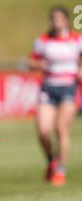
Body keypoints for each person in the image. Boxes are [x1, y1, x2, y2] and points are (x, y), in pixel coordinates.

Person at [29, 6, 82, 186]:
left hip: (69, 87)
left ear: (66, 20)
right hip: (48, 88)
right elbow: (31, 61)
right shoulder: (43, 40)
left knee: (61, 128)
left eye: (60, 18)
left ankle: (60, 170)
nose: (56, 21)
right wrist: (38, 64)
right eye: (54, 18)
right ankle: (51, 160)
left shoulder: (77, 39)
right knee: (44, 131)